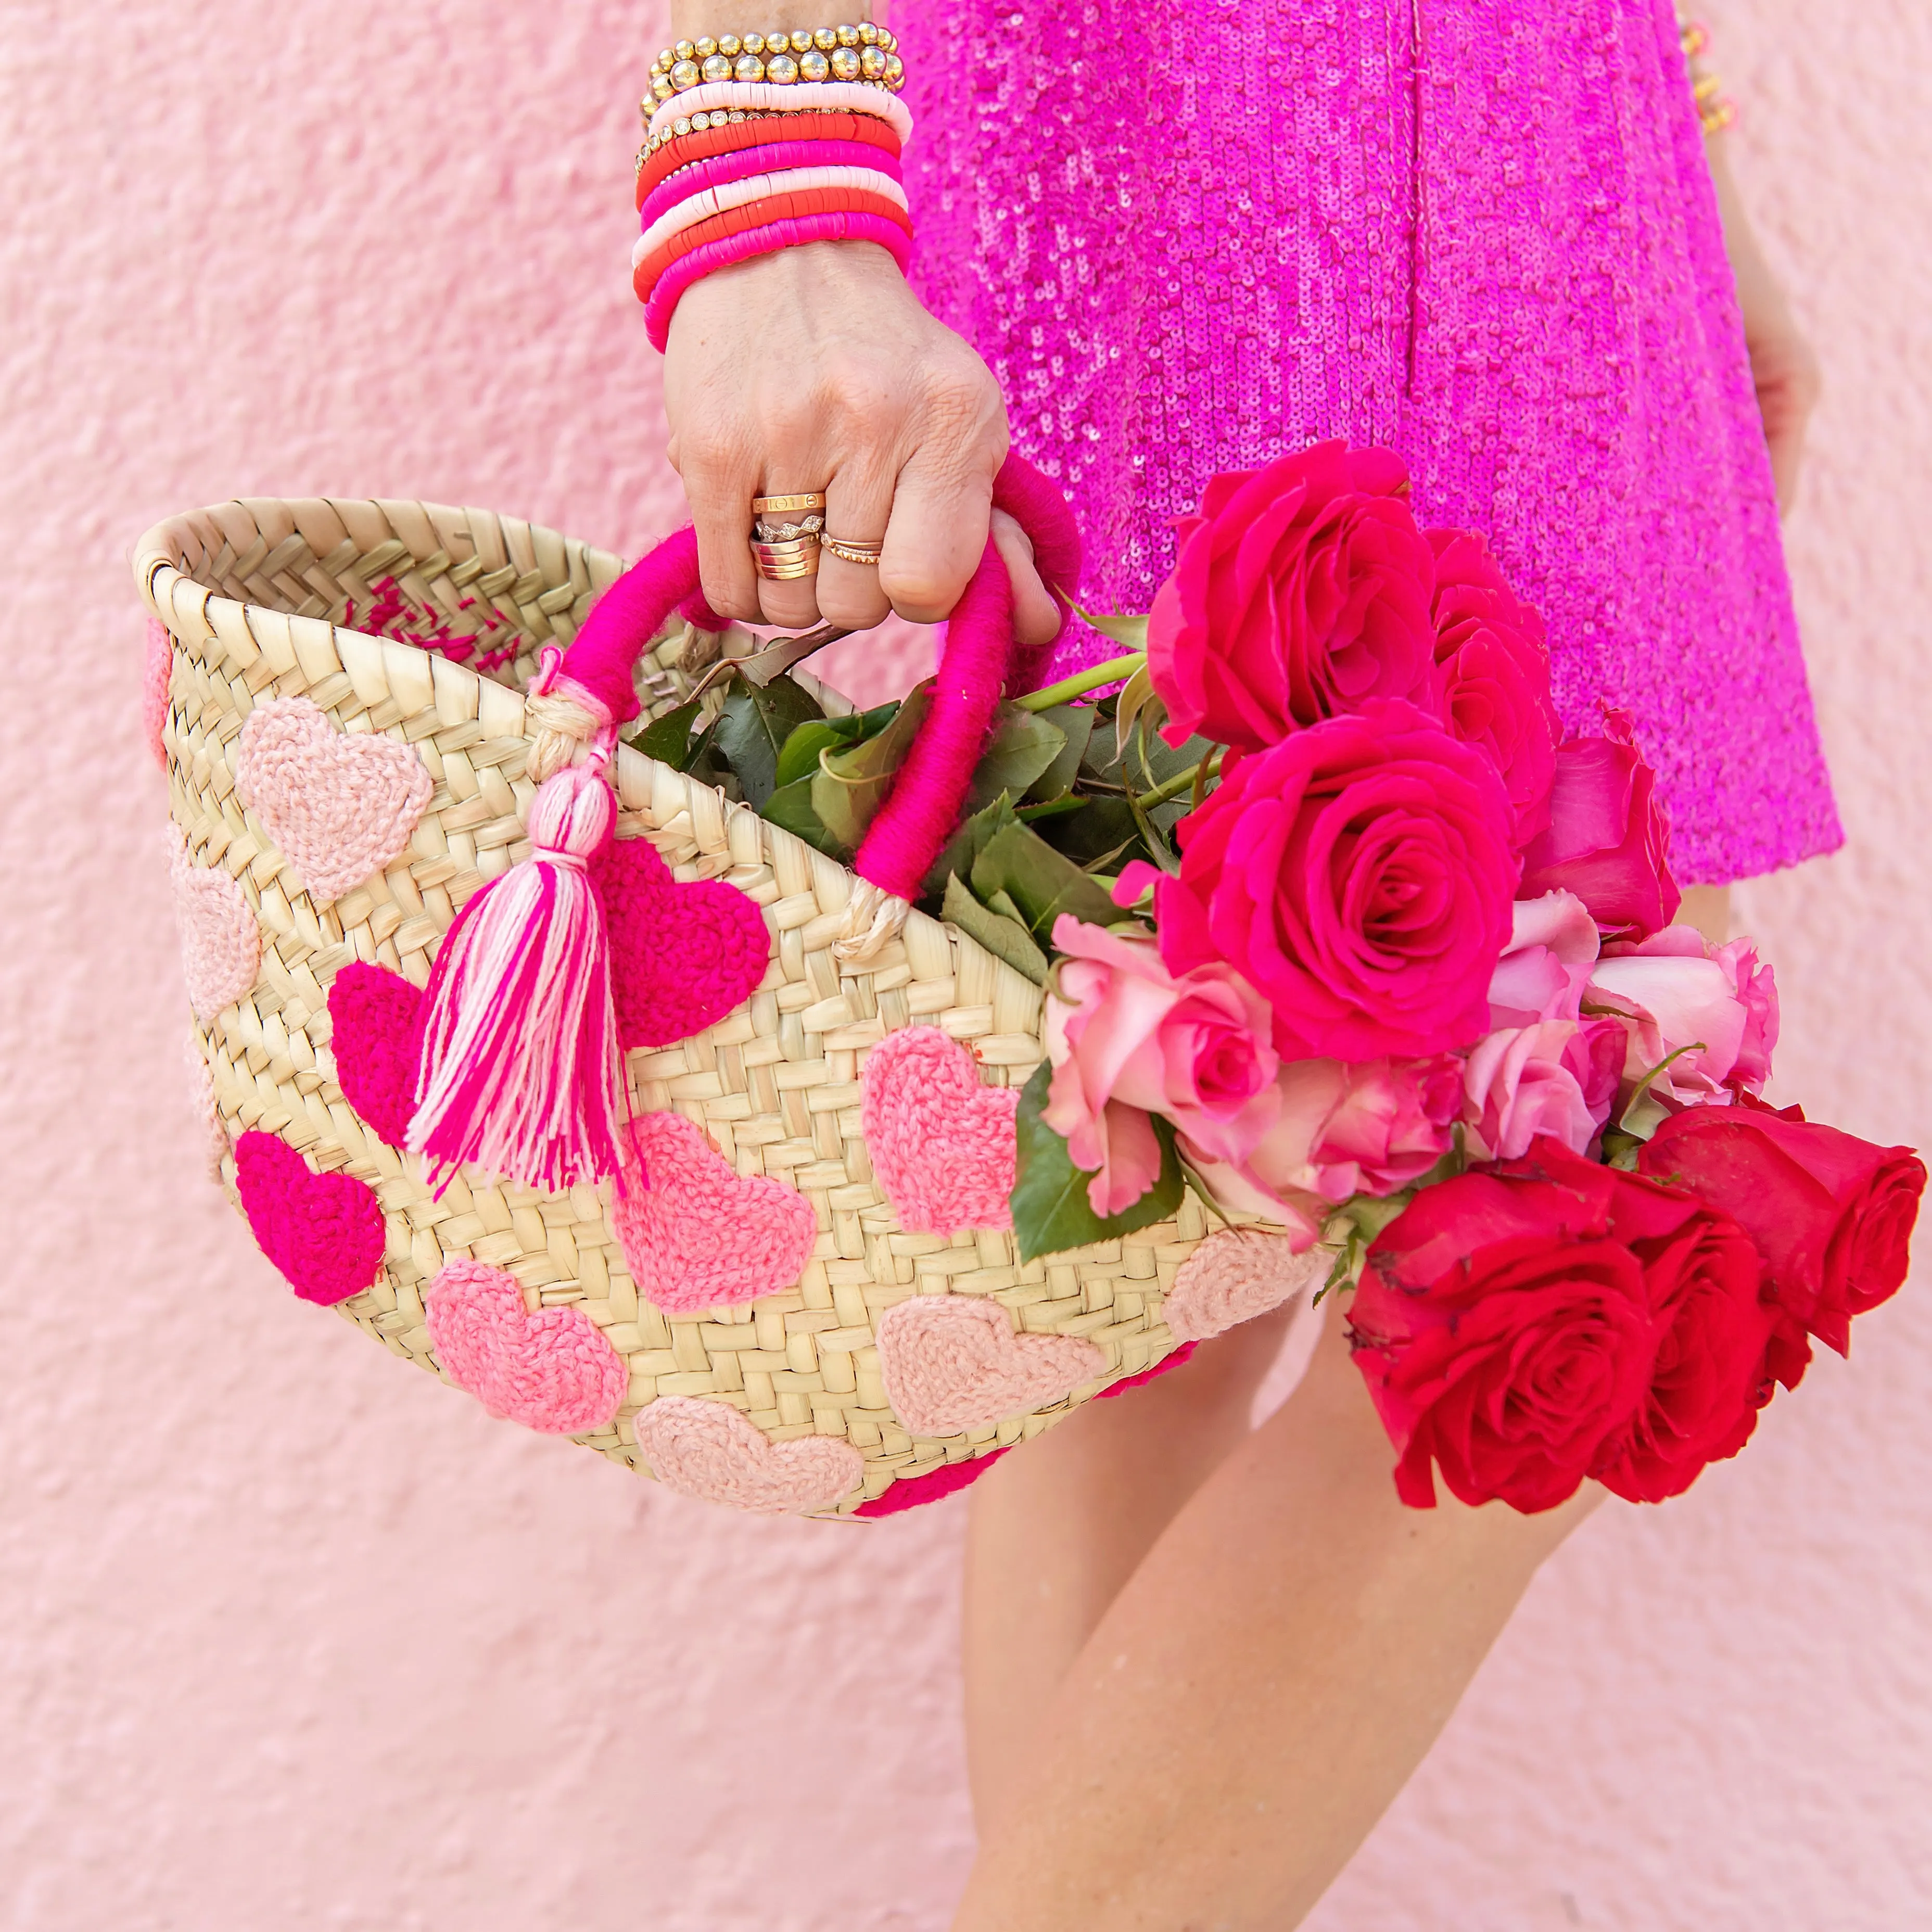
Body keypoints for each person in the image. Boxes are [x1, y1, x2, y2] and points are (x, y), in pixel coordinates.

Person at [654, 5, 1837, 1923]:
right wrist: (760, 194)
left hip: (1563, 136)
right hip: (1156, 123)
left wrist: (1689, 139)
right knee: (1157, 1257)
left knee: (1584, 1205)